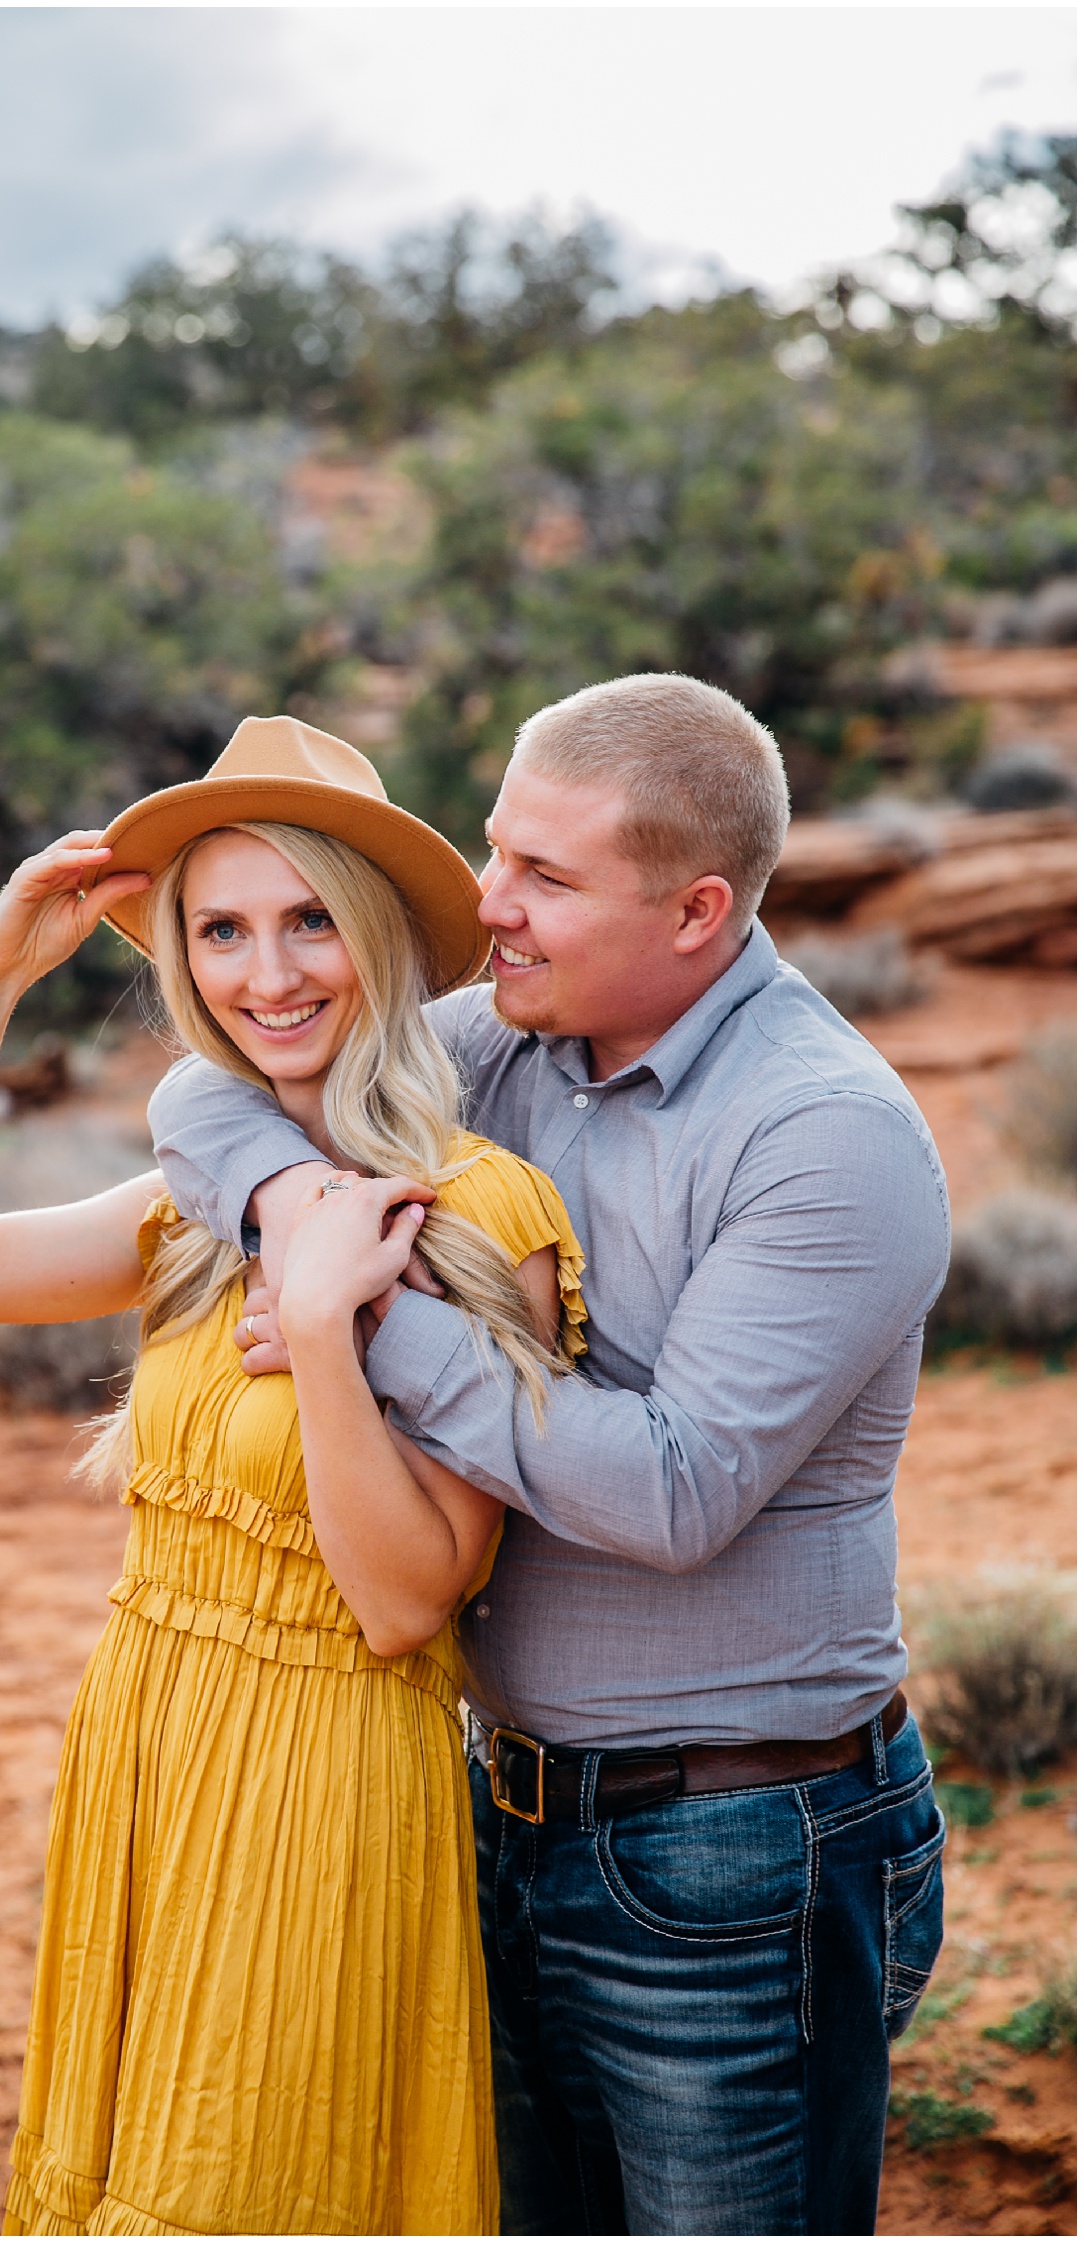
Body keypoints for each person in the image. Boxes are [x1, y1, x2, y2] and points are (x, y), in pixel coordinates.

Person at [147, 673, 952, 2238]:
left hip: (730, 1856)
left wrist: (361, 1327)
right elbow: (214, 1085)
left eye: (546, 880)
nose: (487, 909)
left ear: (699, 909)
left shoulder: (825, 1134)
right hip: (494, 1819)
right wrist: (296, 1212)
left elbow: (673, 1490)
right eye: (498, 851)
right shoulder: (503, 1044)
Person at [0, 715, 592, 2237]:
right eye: (224, 930)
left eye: (312, 919)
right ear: (183, 959)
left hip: (326, 1775)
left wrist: (325, 1327)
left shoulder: (475, 1212)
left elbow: (407, 1606)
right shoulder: (197, 1204)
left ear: (381, 941)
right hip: (147, 1736)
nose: (271, 975)